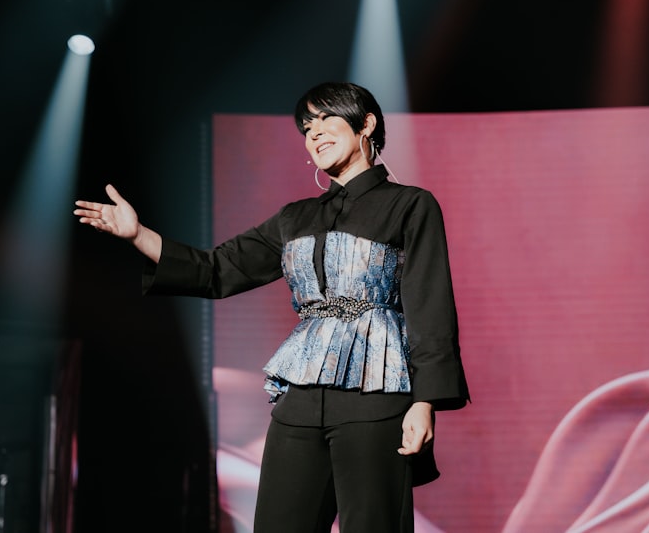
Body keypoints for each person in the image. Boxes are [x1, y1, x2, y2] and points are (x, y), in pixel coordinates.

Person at [74, 81, 470, 533]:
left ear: (367, 124)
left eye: (326, 119)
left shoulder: (410, 205)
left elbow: (429, 303)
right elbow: (216, 269)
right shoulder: (294, 217)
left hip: (376, 397)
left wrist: (425, 404)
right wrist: (138, 235)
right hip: (299, 399)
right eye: (306, 126)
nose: (314, 132)